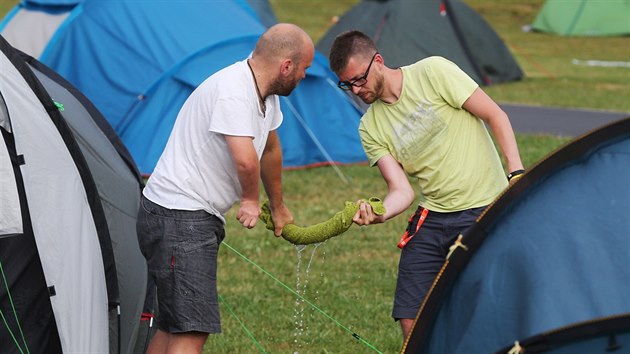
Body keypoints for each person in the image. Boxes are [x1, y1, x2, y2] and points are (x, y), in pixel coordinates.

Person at [328, 30, 524, 341]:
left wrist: (516, 173)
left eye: (359, 80)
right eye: (347, 84)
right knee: (410, 316)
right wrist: (378, 213)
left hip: (482, 208)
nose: (355, 90)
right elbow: (401, 190)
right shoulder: (370, 127)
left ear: (377, 61)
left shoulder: (433, 72)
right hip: (433, 217)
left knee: (488, 310)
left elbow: (495, 115)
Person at [136, 23, 314, 354]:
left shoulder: (265, 96)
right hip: (180, 216)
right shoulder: (235, 90)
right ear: (286, 66)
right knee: (192, 330)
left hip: (179, 216)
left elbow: (270, 150)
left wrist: (278, 206)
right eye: (305, 68)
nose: (305, 76)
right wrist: (249, 200)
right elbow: (246, 160)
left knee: (172, 324)